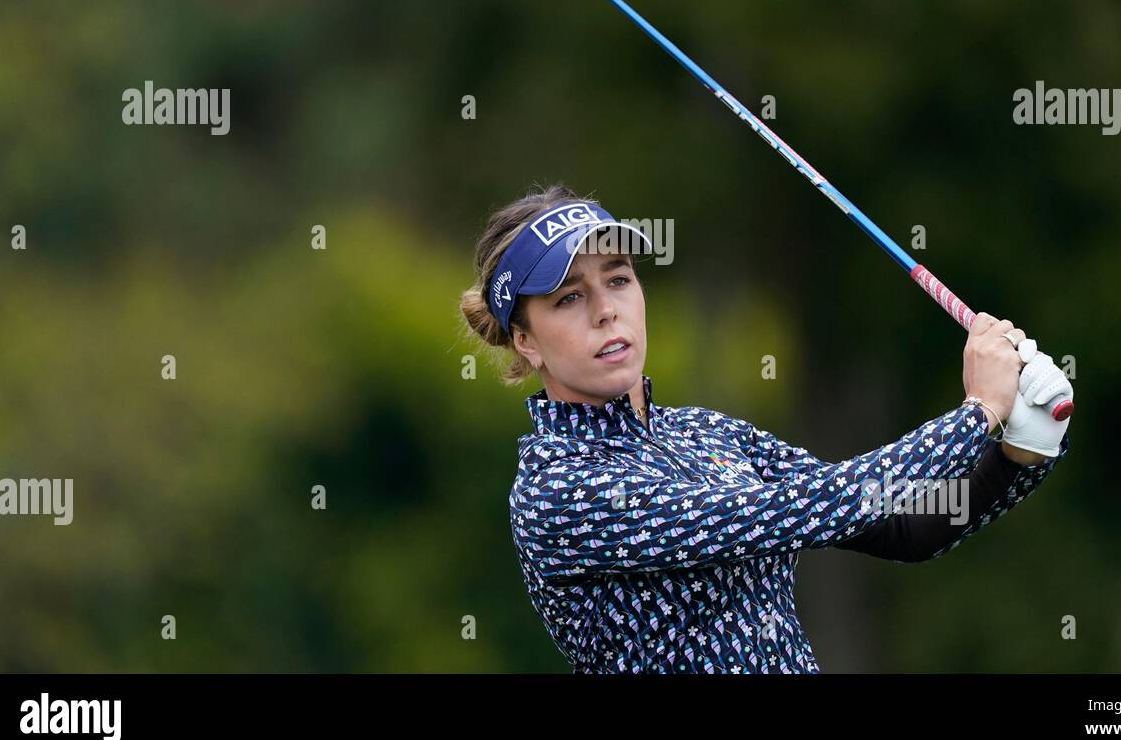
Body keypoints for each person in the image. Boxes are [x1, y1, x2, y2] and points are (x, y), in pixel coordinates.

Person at [459, 182, 1074, 673]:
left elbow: (897, 525)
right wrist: (976, 416)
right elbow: (812, 508)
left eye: (617, 278)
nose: (605, 309)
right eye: (568, 298)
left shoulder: (706, 433)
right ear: (525, 340)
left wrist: (1019, 456)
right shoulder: (558, 488)